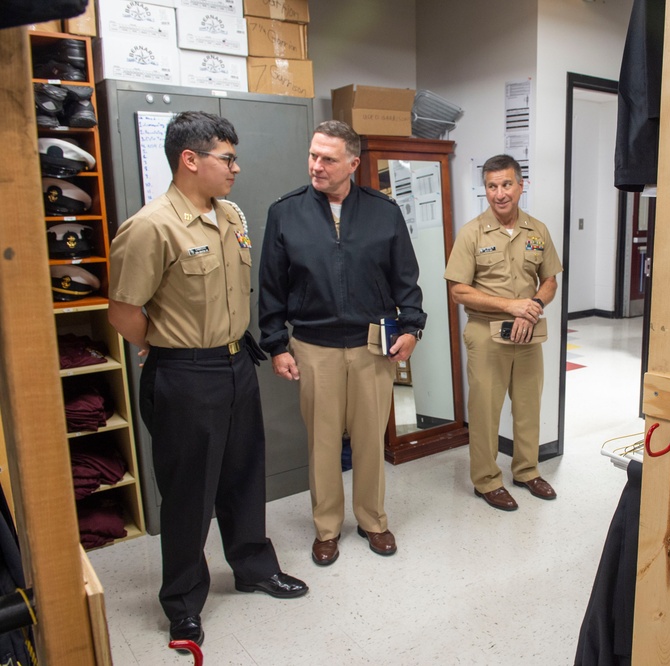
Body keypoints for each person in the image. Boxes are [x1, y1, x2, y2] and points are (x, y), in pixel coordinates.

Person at [108, 111, 308, 647]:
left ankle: (253, 567)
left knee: (244, 475)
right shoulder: (151, 226)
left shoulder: (232, 216)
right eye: (227, 158)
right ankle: (182, 601)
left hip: (237, 363)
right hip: (185, 372)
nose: (236, 168)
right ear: (190, 160)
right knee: (189, 492)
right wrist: (163, 345)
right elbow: (124, 311)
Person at [258, 120, 425, 566]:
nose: (317, 165)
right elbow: (271, 287)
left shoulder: (383, 212)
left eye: (328, 159)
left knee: (371, 438)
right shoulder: (285, 212)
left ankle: (372, 520)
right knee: (323, 442)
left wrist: (412, 327)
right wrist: (276, 344)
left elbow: (405, 277)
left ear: (353, 163)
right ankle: (327, 527)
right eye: (313, 155)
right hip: (314, 347)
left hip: (374, 345)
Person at [444, 154, 563, 511]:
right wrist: (510, 306)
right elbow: (458, 291)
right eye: (492, 186)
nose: (499, 193)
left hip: (528, 331)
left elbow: (550, 280)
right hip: (486, 333)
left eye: (506, 184)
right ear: (486, 190)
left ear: (521, 185)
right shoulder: (471, 233)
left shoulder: (537, 230)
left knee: (528, 405)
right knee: (485, 410)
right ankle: (486, 480)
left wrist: (533, 307)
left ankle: (527, 470)